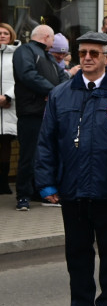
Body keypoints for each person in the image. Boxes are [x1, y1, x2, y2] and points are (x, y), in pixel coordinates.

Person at [36, 32, 107, 306]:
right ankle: (81, 303)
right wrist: (46, 182)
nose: (87, 58)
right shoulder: (61, 93)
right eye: (83, 52)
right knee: (77, 249)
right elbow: (47, 140)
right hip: (71, 185)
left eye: (94, 53)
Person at [13, 25, 68, 210]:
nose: (53, 44)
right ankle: (23, 196)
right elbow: (27, 74)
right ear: (47, 37)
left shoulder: (48, 57)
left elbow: (63, 78)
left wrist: (56, 93)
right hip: (31, 113)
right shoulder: (25, 51)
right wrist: (52, 91)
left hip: (48, 113)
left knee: (45, 155)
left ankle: (41, 192)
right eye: (53, 40)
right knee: (29, 155)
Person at [0, 22, 20, 195]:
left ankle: (3, 182)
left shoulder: (17, 55)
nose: (2, 35)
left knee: (5, 144)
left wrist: (7, 96)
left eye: (5, 33)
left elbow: (19, 80)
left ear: (11, 35)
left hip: (8, 105)